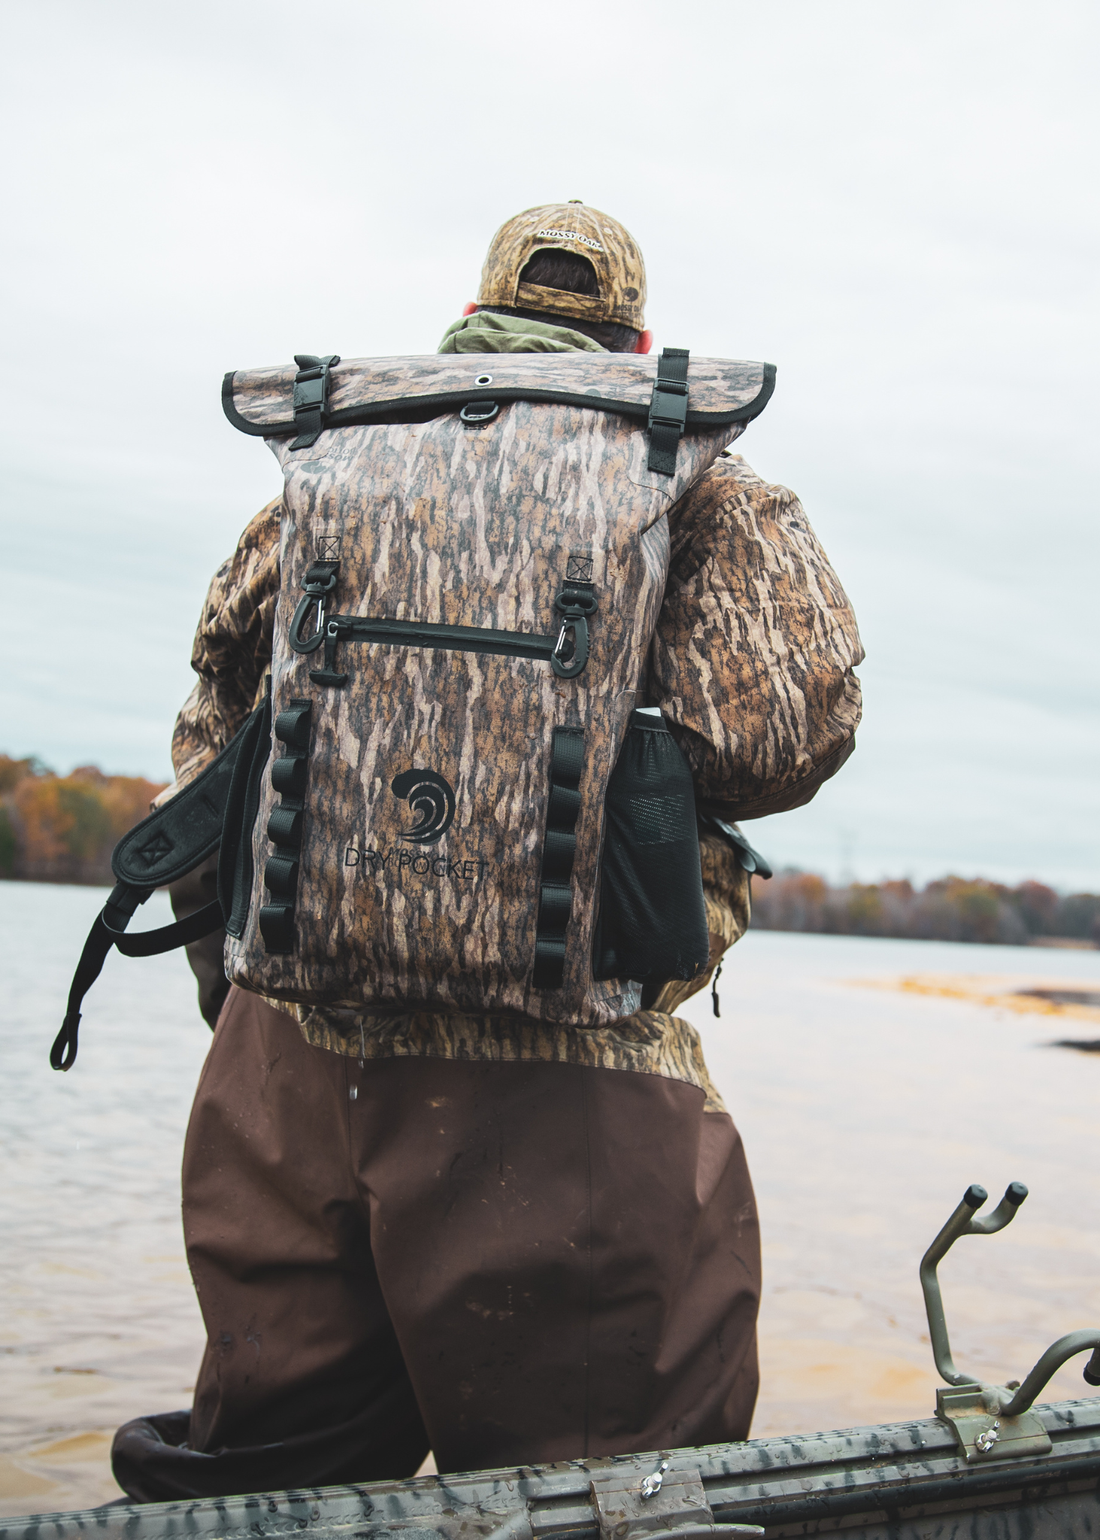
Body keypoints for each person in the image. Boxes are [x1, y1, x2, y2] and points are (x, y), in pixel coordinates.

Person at [111, 203, 864, 1503]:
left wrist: (250, 989)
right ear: (636, 345)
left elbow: (214, 731)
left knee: (268, 1490)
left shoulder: (335, 461)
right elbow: (789, 729)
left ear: (469, 321)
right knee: (607, 1494)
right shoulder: (701, 475)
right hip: (575, 1091)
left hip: (285, 1074)